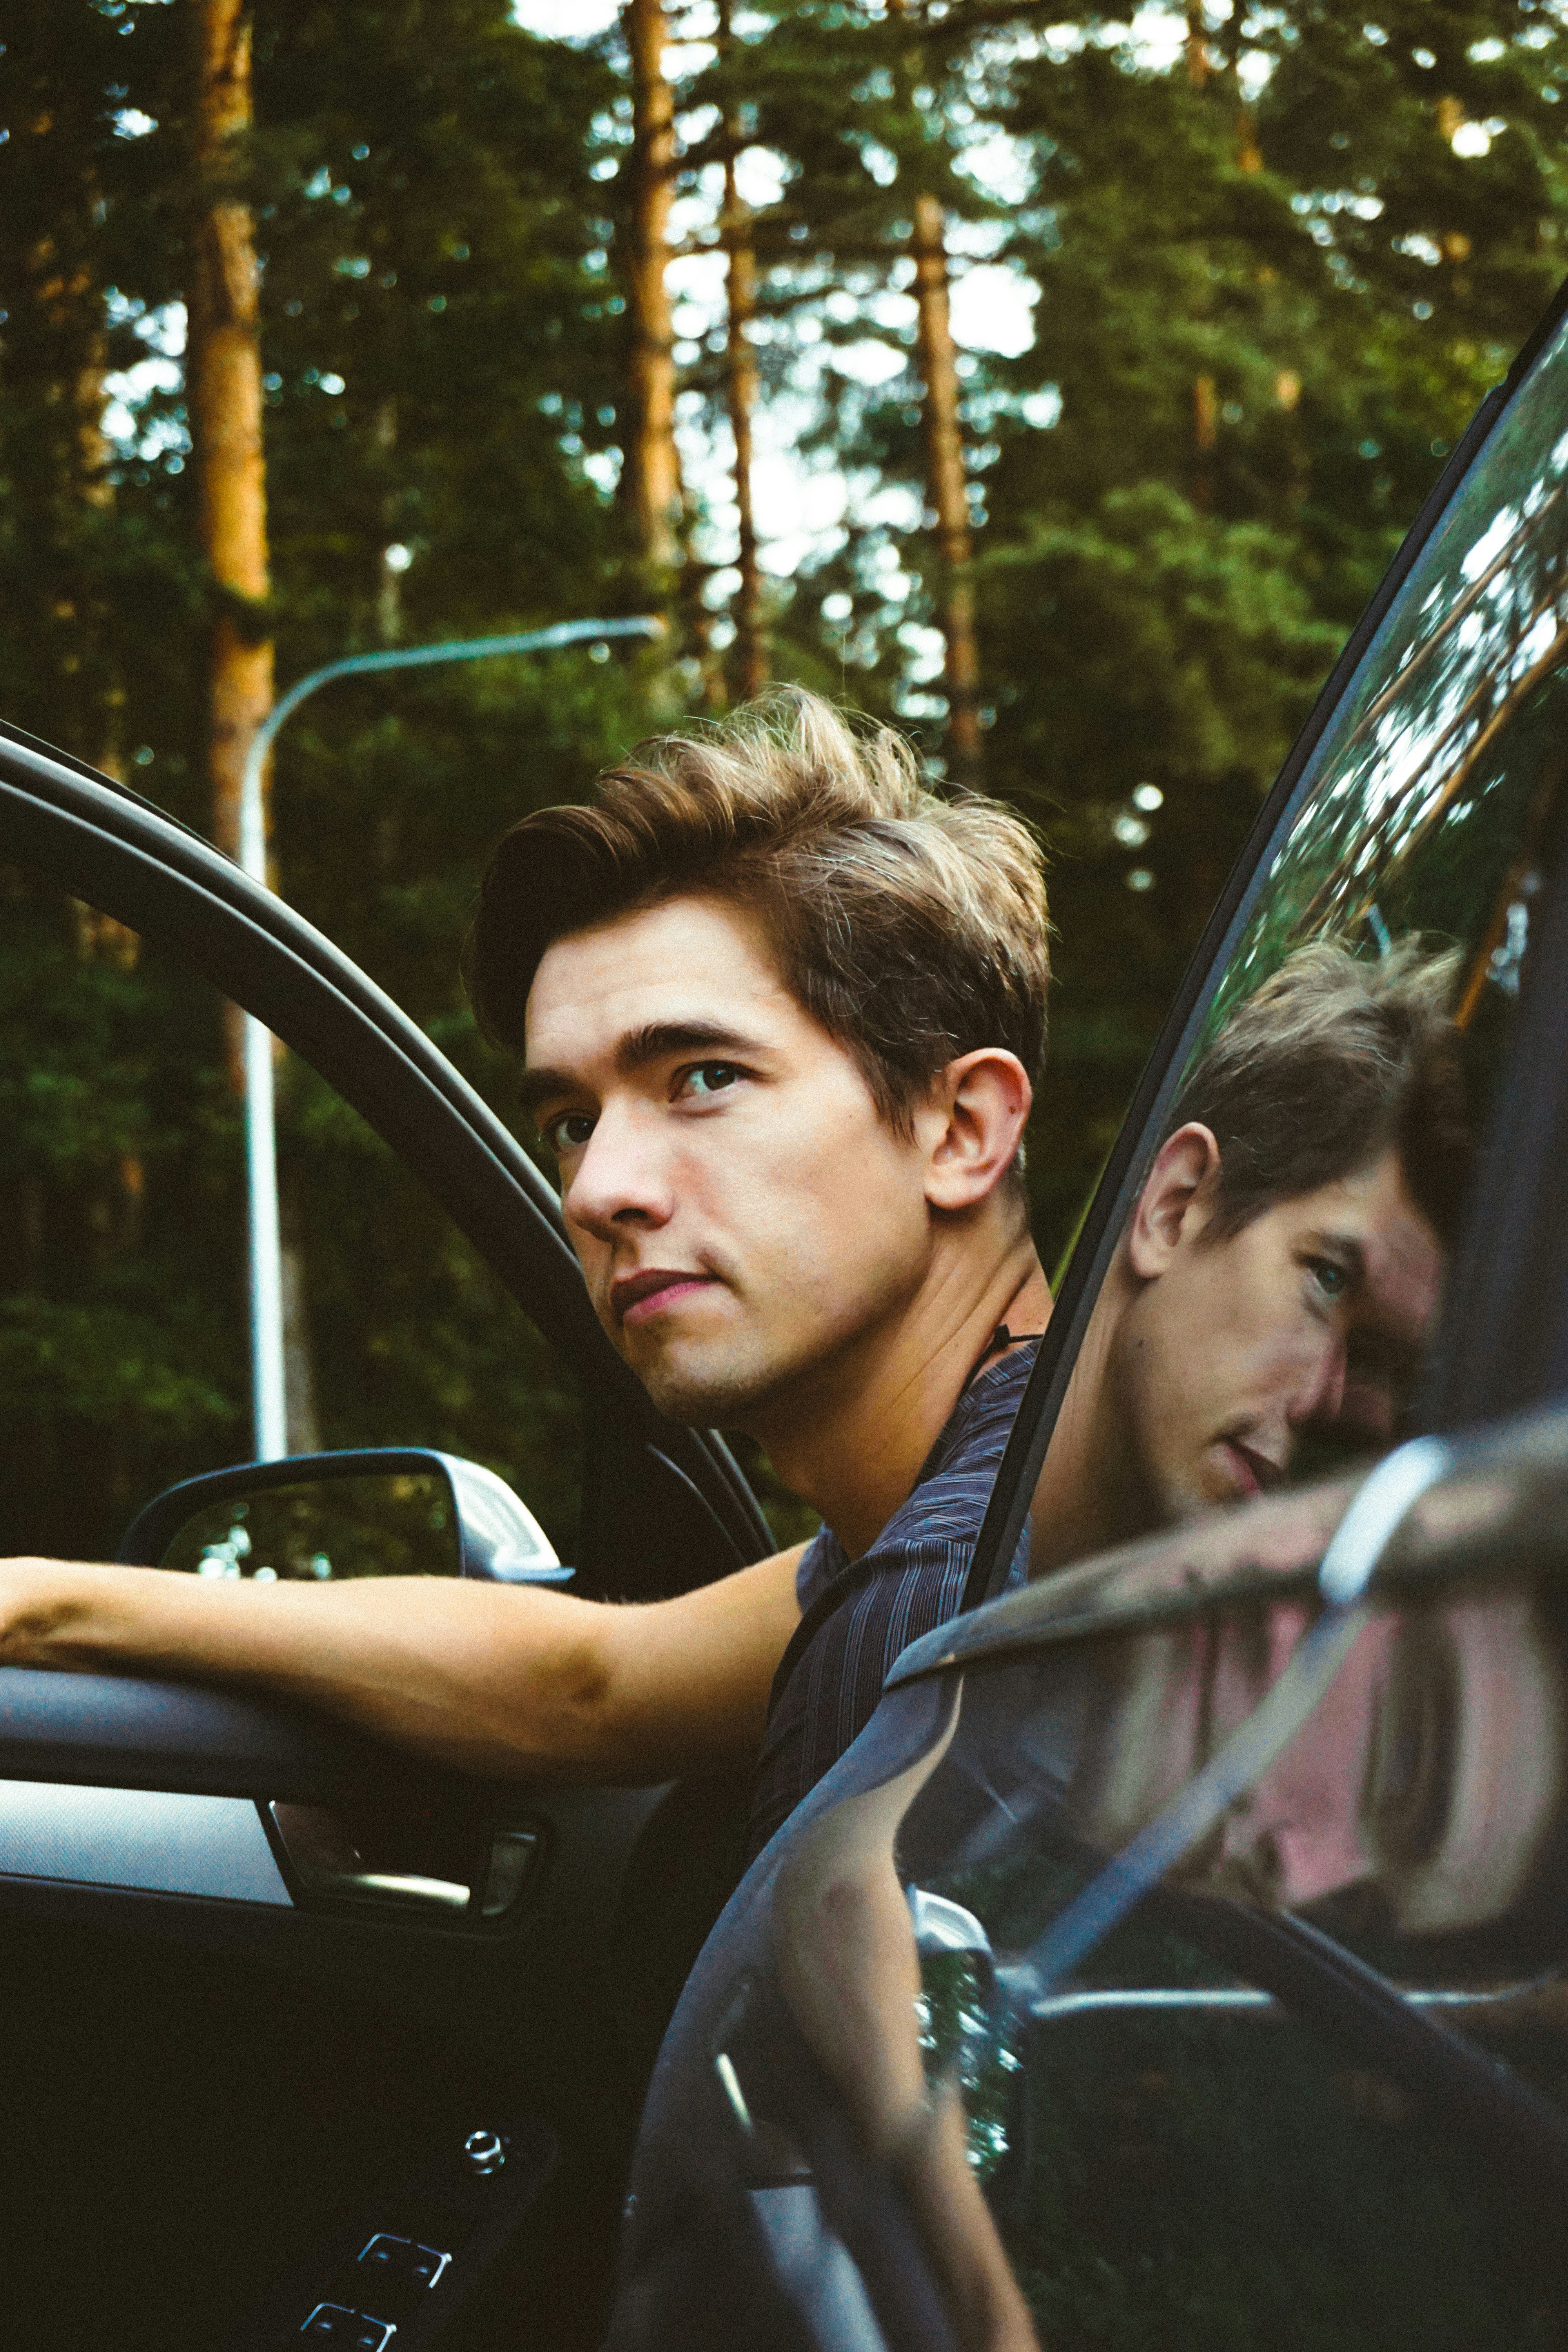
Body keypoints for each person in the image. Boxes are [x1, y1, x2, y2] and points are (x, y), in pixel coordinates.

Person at [0, 691, 1055, 1858]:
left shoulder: (952, 1612)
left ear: (962, 1127)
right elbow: (593, 1683)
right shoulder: (1001, 1500)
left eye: (703, 1077)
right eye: (568, 1120)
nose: (598, 1189)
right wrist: (47, 1604)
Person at [1026, 939, 1471, 1580]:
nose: (1323, 1400)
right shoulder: (911, 1563)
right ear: (1173, 1207)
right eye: (1328, 1278)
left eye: (1377, 1360)